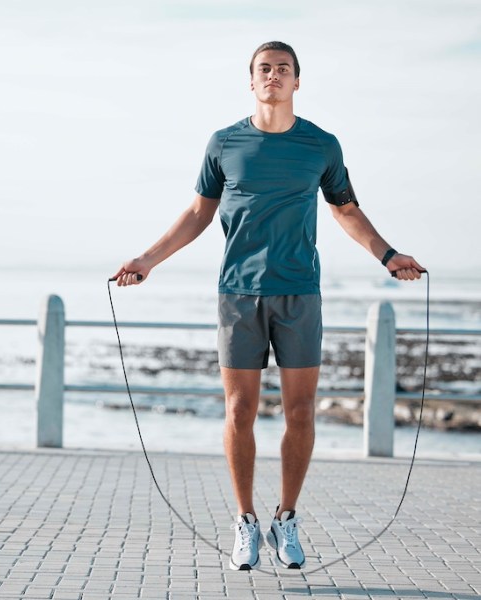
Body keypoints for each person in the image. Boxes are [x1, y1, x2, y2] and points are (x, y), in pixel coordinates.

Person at [112, 41, 424, 571]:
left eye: (283, 69)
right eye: (264, 69)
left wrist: (388, 255)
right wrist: (147, 259)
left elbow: (346, 210)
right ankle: (245, 522)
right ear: (251, 81)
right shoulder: (224, 142)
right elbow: (197, 213)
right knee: (239, 411)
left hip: (300, 292)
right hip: (238, 293)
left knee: (301, 411)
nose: (273, 76)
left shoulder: (320, 145)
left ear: (297, 82)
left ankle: (287, 518)